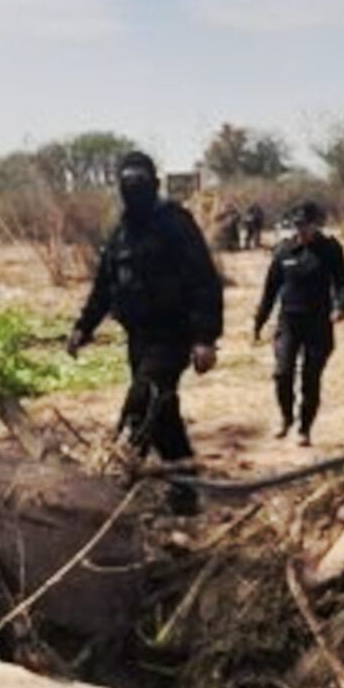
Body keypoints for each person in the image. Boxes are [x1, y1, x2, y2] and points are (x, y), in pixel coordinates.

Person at [67, 151, 222, 505]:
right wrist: (83, 328)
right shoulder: (121, 233)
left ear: (153, 184)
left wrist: (205, 338)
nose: (133, 189)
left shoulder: (175, 223)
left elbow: (204, 281)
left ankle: (110, 489)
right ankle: (185, 492)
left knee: (141, 404)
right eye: (127, 183)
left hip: (173, 335)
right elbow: (104, 286)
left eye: (140, 182)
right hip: (138, 338)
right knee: (163, 414)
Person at [253, 201, 344, 446]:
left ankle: (304, 428)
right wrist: (259, 322)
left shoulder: (329, 250)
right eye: (298, 225)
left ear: (316, 225)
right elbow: (270, 291)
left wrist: (341, 307)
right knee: (282, 373)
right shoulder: (284, 251)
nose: (302, 230)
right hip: (289, 321)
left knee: (311, 376)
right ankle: (286, 418)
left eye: (306, 225)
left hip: (318, 322)